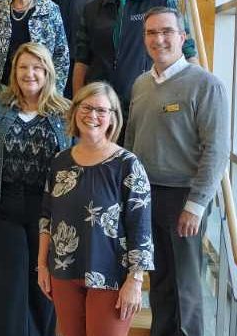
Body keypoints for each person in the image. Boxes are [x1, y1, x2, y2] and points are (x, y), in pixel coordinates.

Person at [125, 7, 230, 336]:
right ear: (144, 40)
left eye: (167, 31)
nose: (159, 39)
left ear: (182, 37)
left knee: (186, 288)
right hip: (146, 196)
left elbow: (216, 150)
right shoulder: (141, 84)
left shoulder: (205, 85)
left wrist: (195, 205)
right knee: (161, 283)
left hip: (183, 198)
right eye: (151, 33)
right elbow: (130, 141)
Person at [0, 43, 70, 336]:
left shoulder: (65, 112)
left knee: (43, 282)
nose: (30, 73)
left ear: (47, 71)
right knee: (6, 286)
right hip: (1, 206)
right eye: (23, 67)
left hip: (48, 211)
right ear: (14, 71)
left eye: (37, 67)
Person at [37, 81, 154, 336]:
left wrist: (135, 281)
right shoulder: (60, 162)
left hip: (111, 276)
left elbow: (141, 230)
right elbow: (47, 218)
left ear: (113, 118)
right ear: (75, 111)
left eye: (102, 110)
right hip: (64, 273)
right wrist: (42, 266)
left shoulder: (127, 165)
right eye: (86, 107)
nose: (92, 116)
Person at [72, 0, 197, 124]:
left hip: (147, 104)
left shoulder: (162, 3)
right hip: (101, 108)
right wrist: (78, 104)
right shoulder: (91, 10)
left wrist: (198, 95)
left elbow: (187, 51)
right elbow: (82, 61)